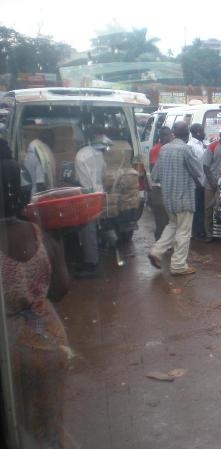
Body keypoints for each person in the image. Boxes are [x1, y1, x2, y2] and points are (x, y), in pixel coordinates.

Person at [0, 151, 71, 448]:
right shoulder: (40, 235)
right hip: (48, 340)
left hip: (9, 348)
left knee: (17, 424)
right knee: (49, 422)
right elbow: (62, 288)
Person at [148, 121, 203, 276]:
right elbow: (198, 171)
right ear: (187, 135)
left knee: (172, 225)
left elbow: (155, 175)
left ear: (173, 133)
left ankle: (157, 251)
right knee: (184, 232)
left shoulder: (164, 149)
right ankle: (178, 265)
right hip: (184, 198)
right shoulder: (186, 149)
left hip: (168, 198)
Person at [73, 129, 111, 278]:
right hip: (99, 195)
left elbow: (78, 179)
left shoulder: (80, 155)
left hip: (86, 197)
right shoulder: (99, 154)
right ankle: (95, 256)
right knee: (94, 228)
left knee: (87, 230)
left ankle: (92, 264)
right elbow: (103, 173)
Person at [149, 126, 173, 240]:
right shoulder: (157, 149)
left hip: (167, 189)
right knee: (161, 221)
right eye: (165, 135)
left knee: (167, 220)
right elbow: (155, 172)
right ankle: (159, 245)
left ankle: (162, 244)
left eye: (169, 135)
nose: (168, 137)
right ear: (161, 136)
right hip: (159, 189)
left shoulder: (168, 148)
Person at [189, 123, 207, 240]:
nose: (204, 132)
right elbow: (190, 166)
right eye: (202, 130)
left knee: (201, 207)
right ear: (197, 132)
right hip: (196, 183)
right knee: (197, 208)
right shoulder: (190, 146)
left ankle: (201, 230)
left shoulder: (202, 144)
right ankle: (196, 232)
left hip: (203, 180)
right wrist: (197, 182)